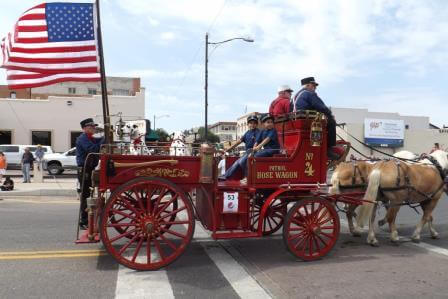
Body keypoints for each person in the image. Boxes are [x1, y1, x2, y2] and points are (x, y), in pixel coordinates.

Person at [291, 76, 338, 160]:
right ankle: (328, 149)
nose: (315, 87)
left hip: (295, 120)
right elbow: (321, 107)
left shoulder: (295, 96)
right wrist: (330, 115)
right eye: (313, 85)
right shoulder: (309, 93)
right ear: (308, 85)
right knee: (331, 122)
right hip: (307, 120)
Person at [76, 118, 104, 230]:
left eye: (93, 126)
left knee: (89, 194)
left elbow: (98, 141)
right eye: (91, 126)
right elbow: (93, 149)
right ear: (84, 128)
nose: (93, 128)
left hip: (90, 168)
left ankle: (88, 219)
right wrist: (104, 139)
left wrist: (106, 136)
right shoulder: (82, 139)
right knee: (85, 195)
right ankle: (84, 221)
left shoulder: (90, 138)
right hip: (84, 169)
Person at [219, 114, 260, 181]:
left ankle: (246, 177)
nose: (252, 125)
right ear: (248, 124)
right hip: (247, 152)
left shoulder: (258, 132)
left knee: (240, 162)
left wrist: (252, 152)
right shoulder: (247, 133)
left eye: (254, 123)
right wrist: (229, 148)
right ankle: (226, 176)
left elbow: (257, 143)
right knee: (237, 162)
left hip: (253, 152)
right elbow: (239, 141)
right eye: (251, 123)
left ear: (257, 124)